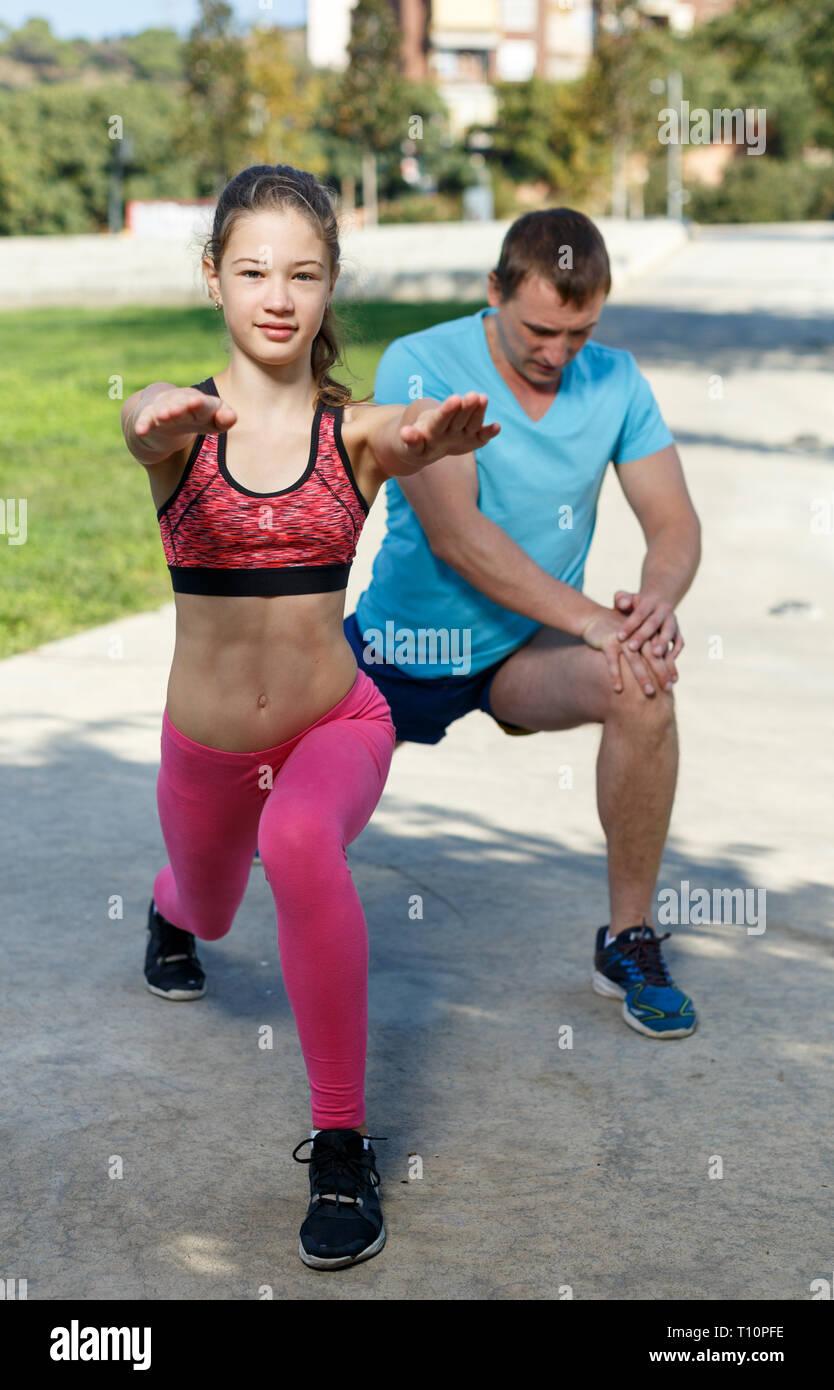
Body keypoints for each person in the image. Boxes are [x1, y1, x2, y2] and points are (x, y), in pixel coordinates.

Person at [119, 164, 500, 1271]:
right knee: (211, 904)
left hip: (336, 721)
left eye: (303, 273)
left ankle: (341, 1145)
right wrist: (152, 412)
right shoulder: (183, 427)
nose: (277, 295)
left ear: (331, 286)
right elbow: (146, 427)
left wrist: (428, 435)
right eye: (252, 271)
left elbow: (402, 429)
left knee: (297, 842)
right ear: (214, 279)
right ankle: (169, 907)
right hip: (206, 751)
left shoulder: (353, 435)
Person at [343, 208, 702, 1040]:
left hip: (523, 654)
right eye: (540, 328)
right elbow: (460, 539)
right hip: (402, 653)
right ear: (494, 291)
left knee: (642, 682)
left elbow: (674, 523)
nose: (557, 352)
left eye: (580, 332)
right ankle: (180, 910)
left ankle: (629, 938)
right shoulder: (423, 363)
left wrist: (654, 602)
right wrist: (591, 622)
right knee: (270, 814)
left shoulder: (614, 380)